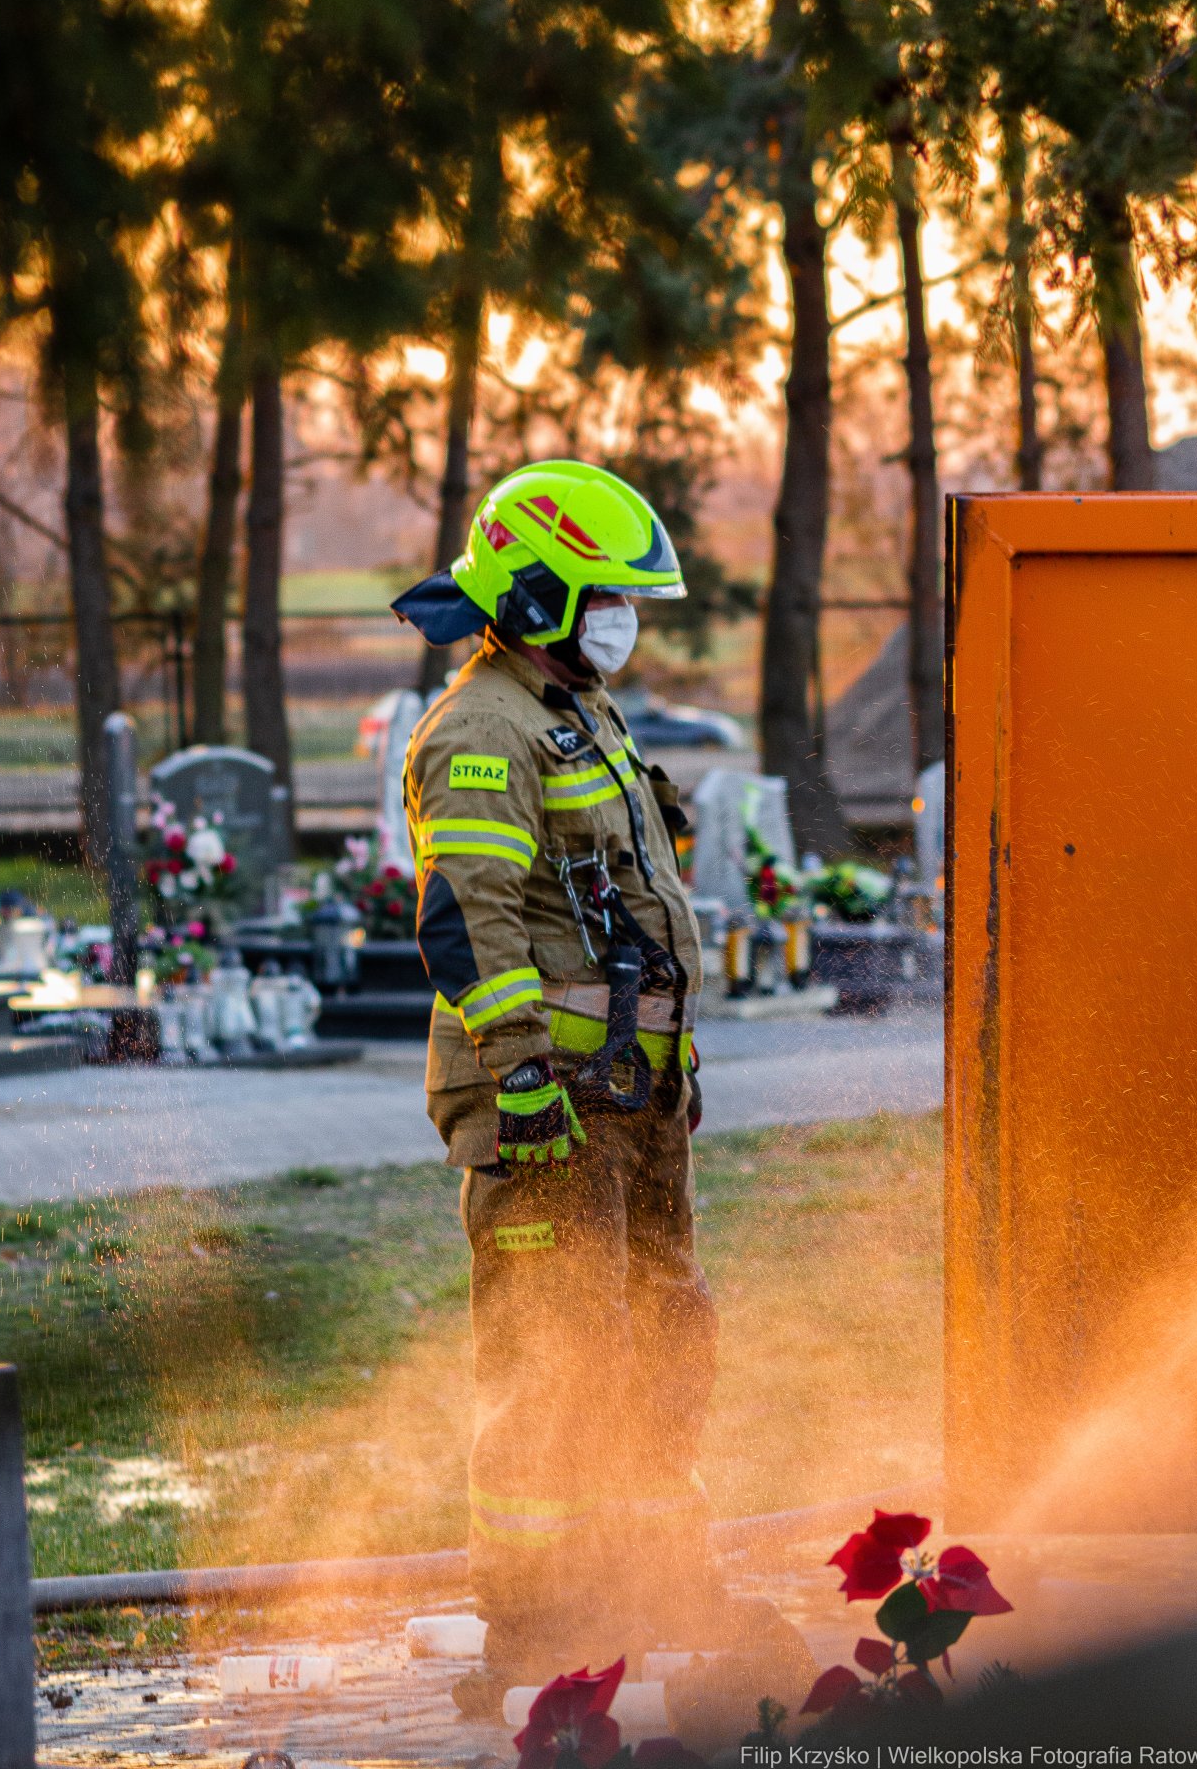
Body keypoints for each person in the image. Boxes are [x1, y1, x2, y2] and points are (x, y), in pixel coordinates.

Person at [392, 460, 762, 1716]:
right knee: (558, 1358)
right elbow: (469, 919)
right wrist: (520, 1073)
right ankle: (541, 1624)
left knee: (664, 1337)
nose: (624, 618)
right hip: (548, 1100)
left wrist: (673, 1055)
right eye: (605, 595)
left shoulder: (577, 707)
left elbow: (628, 904)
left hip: (631, 1095)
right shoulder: (480, 728)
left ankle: (658, 1585)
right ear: (537, 592)